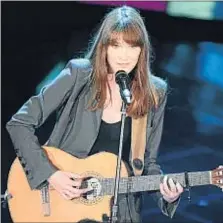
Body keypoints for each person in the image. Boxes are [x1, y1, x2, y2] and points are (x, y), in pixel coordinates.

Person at [6, 5, 183, 223]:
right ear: (104, 47)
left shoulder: (154, 92)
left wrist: (167, 195)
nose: (124, 55)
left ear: (142, 50)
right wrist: (50, 174)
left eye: (132, 46)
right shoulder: (79, 75)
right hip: (61, 202)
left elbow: (147, 164)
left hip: (118, 213)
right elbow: (19, 123)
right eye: (116, 45)